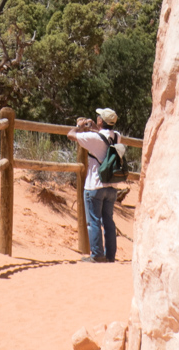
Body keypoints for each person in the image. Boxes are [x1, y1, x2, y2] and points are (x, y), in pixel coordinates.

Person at [70, 108, 125, 262]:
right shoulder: (117, 136)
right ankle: (110, 256)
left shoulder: (93, 138)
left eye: (98, 117)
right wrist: (95, 127)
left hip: (94, 185)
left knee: (93, 221)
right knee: (108, 221)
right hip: (111, 186)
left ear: (101, 121)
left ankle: (97, 255)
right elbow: (104, 135)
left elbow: (70, 135)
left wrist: (80, 126)